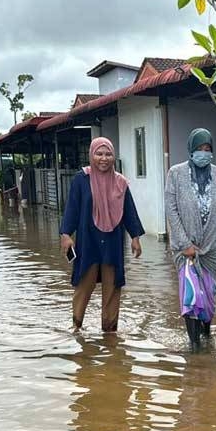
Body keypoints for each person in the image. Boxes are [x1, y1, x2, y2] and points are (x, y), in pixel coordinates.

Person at [60, 137, 144, 333]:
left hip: (113, 242)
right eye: (99, 154)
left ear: (114, 157)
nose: (104, 158)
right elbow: (72, 208)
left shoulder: (120, 183)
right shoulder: (81, 180)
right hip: (88, 240)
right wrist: (66, 233)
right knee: (83, 283)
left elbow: (129, 210)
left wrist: (135, 237)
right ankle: (76, 326)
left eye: (108, 154)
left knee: (113, 286)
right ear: (91, 155)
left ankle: (110, 331)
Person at [164, 128, 216, 348]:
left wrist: (208, 232)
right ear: (190, 150)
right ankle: (194, 348)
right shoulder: (176, 173)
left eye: (208, 149)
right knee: (192, 296)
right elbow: (171, 210)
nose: (203, 153)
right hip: (185, 250)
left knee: (208, 294)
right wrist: (185, 244)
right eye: (199, 149)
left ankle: (206, 336)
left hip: (210, 248)